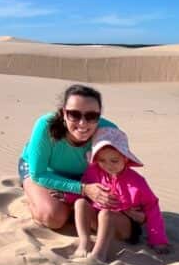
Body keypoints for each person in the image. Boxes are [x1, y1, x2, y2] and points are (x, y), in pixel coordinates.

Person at [18, 84, 126, 230]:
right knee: (53, 217)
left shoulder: (109, 132)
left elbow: (119, 169)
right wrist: (83, 189)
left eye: (91, 116)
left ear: (99, 115)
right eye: (74, 115)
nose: (82, 123)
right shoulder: (45, 126)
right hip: (43, 171)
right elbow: (39, 173)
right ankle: (32, 195)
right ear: (64, 113)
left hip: (86, 177)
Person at [72, 127, 170, 264]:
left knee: (106, 214)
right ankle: (84, 242)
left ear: (125, 158)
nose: (108, 166)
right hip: (98, 221)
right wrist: (67, 197)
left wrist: (158, 240)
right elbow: (84, 191)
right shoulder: (93, 172)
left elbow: (152, 207)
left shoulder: (136, 182)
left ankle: (99, 254)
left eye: (114, 161)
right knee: (80, 203)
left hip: (124, 226)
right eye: (102, 160)